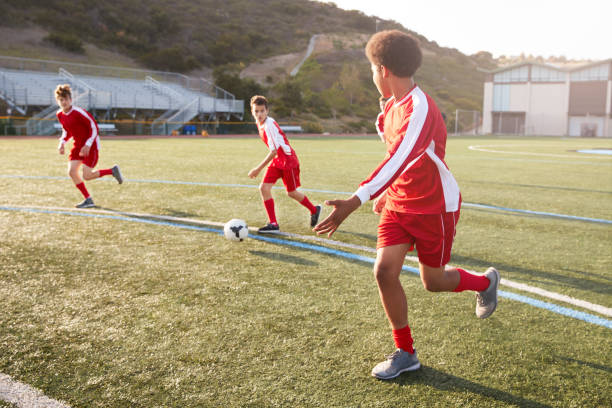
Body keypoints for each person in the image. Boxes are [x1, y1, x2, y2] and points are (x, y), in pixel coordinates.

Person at [313, 30, 499, 380]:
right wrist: (385, 194)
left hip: (434, 208)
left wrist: (355, 200)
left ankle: (484, 283)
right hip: (399, 205)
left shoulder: (421, 107)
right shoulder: (389, 111)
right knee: (384, 271)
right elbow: (397, 158)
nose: (371, 75)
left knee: (434, 281)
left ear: (382, 69)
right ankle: (406, 351)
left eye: (371, 69)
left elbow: (400, 156)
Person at [248, 95, 321, 233]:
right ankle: (273, 224)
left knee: (292, 193)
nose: (259, 114)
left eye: (262, 111)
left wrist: (257, 169)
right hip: (277, 161)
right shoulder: (259, 123)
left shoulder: (269, 125)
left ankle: (314, 209)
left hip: (288, 162)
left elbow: (274, 151)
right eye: (256, 111)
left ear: (267, 111)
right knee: (264, 188)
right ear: (252, 112)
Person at [55, 84, 123, 208]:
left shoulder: (79, 112)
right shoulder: (60, 114)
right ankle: (88, 199)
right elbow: (66, 131)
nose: (63, 102)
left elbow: (94, 127)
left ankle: (112, 171)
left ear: (71, 99)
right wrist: (62, 143)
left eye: (65, 99)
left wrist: (87, 144)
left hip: (91, 146)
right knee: (72, 172)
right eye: (60, 100)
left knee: (87, 175)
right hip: (77, 146)